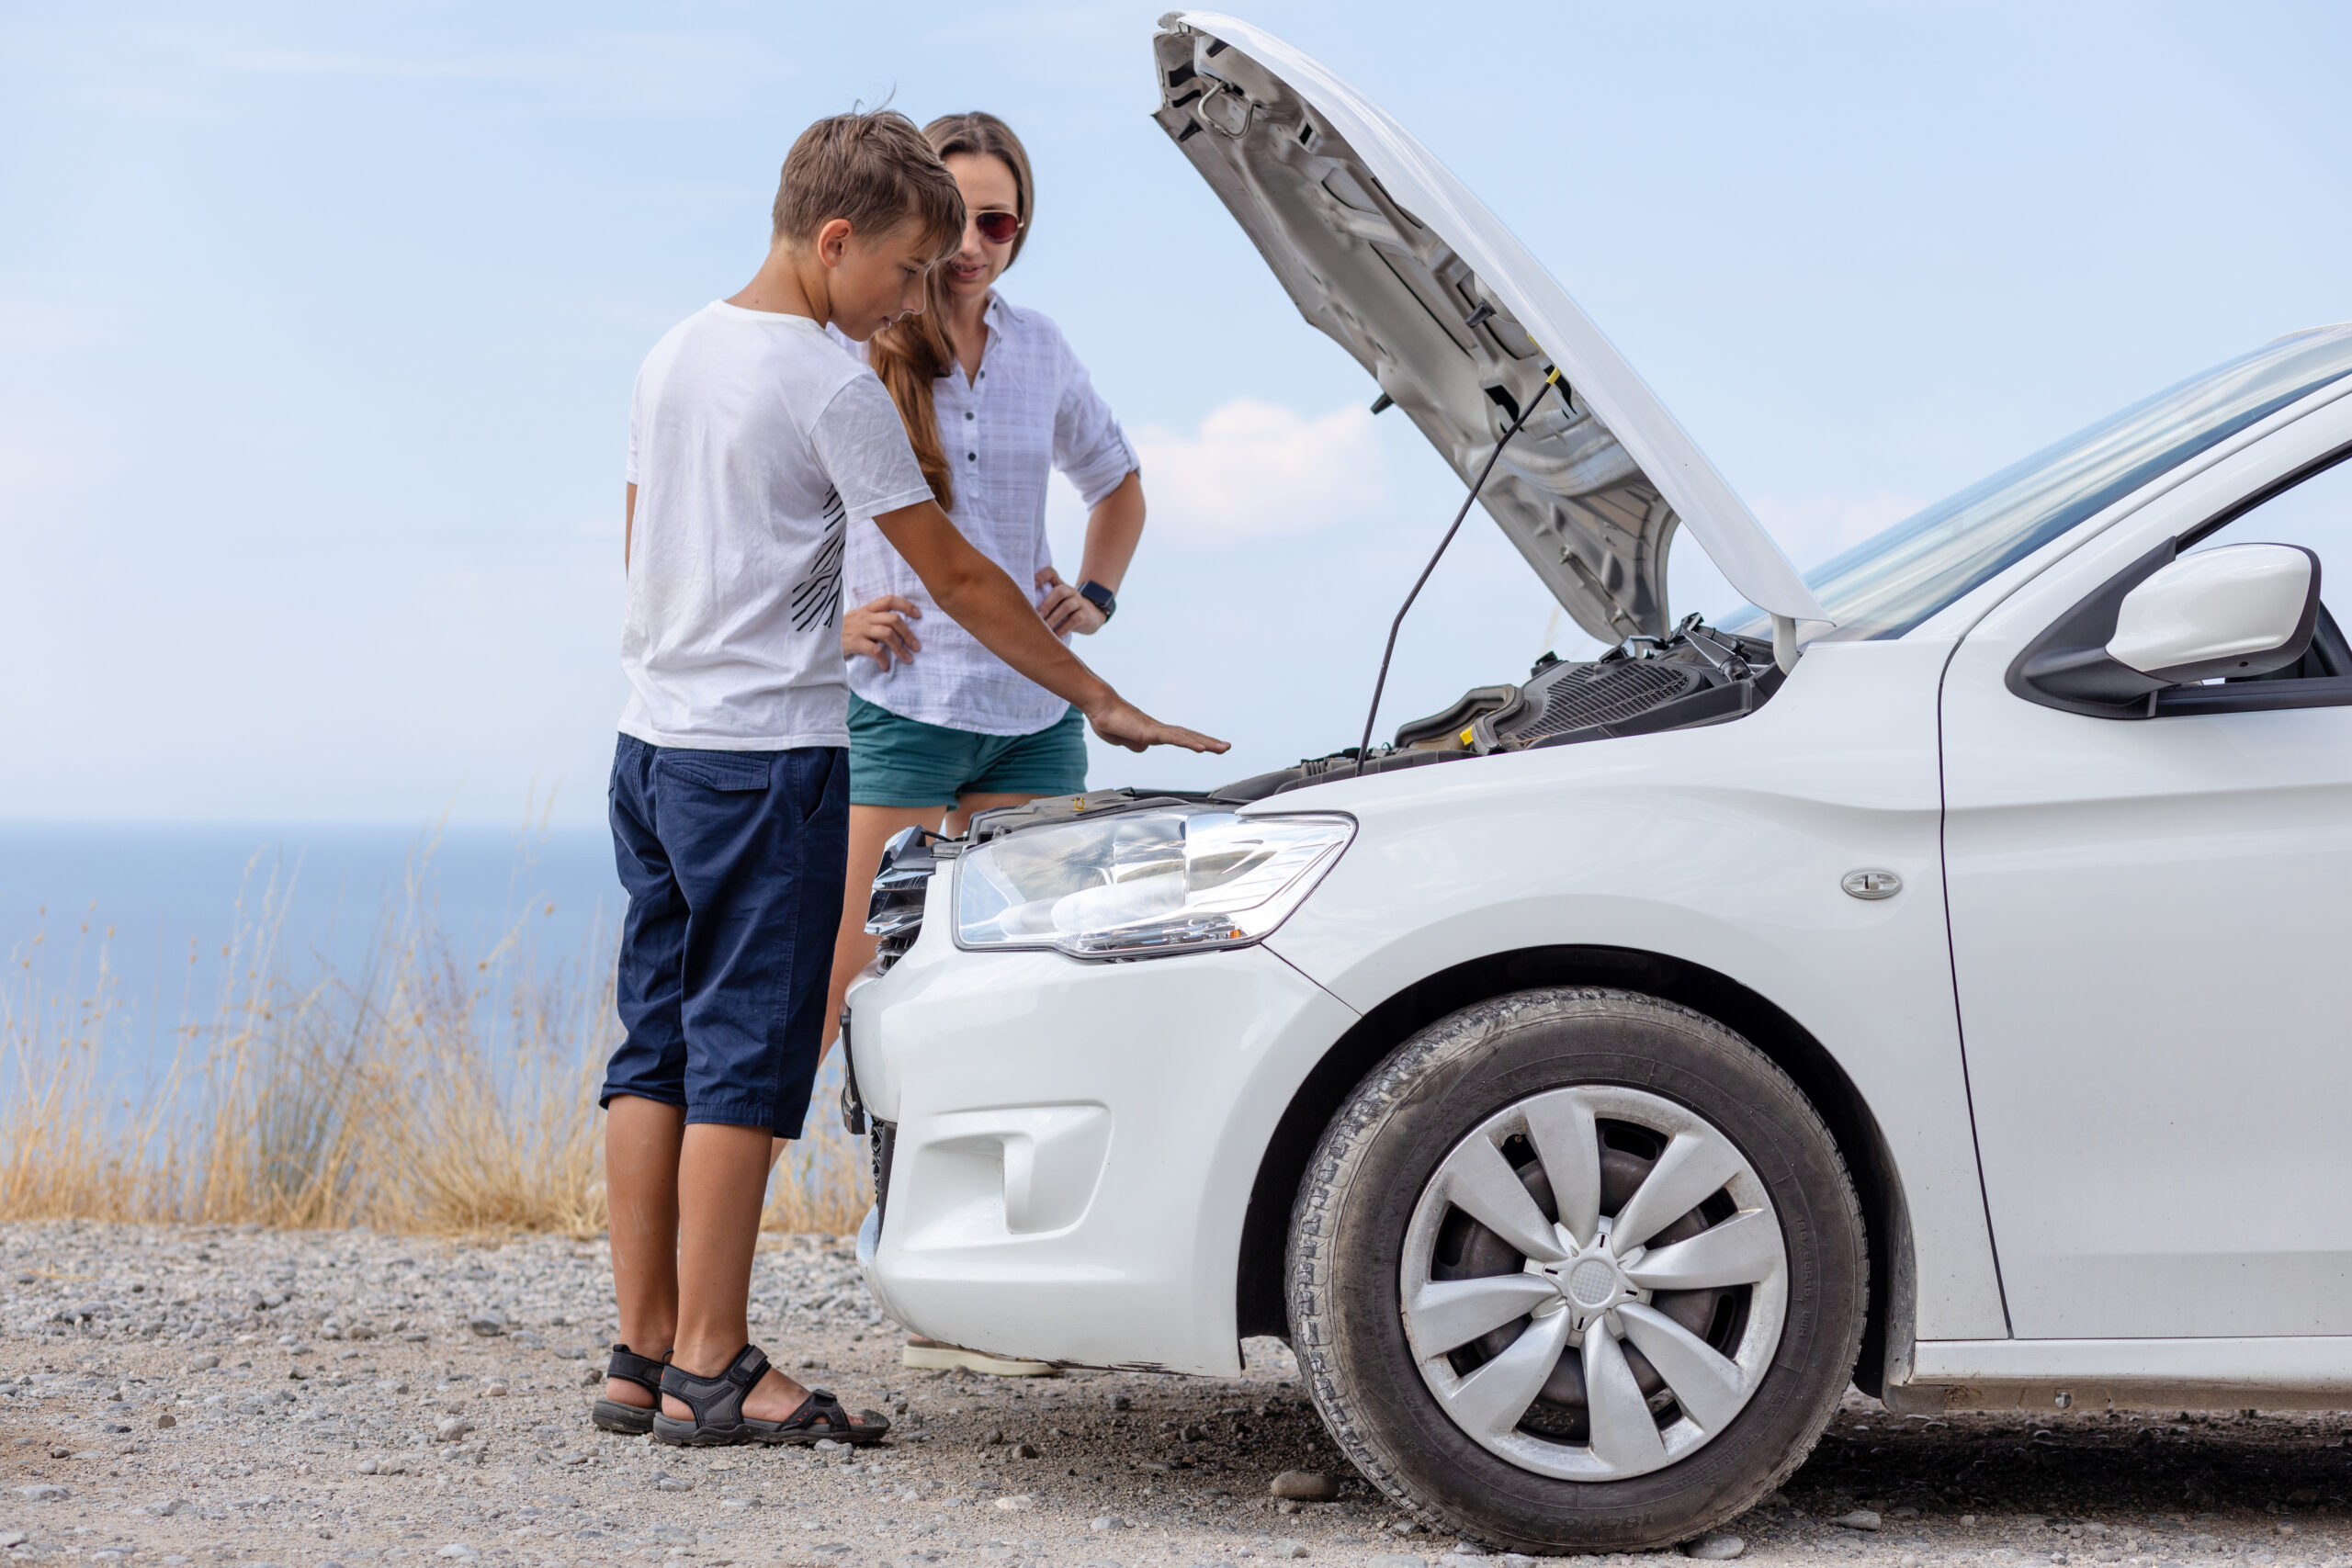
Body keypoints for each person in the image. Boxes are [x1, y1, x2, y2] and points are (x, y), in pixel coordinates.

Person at [595, 109, 1225, 1448]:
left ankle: (638, 1356)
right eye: (898, 269)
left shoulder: (675, 349)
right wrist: (1102, 697)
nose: (907, 300)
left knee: (652, 1046)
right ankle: (715, 1365)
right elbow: (952, 575)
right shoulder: (828, 381)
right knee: (745, 1063)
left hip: (651, 749)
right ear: (835, 242)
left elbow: (643, 542)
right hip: (764, 761)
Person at [821, 114, 1146, 1377]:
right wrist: (832, 615)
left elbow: (1118, 485)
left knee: (1033, 1001)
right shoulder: (860, 350)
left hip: (1028, 720)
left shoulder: (1042, 350)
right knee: (860, 994)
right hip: (898, 712)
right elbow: (784, 510)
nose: (971, 249)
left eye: (998, 223)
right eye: (952, 222)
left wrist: (1099, 597)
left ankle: (1013, 1284)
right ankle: (826, 1248)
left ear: (1023, 230)